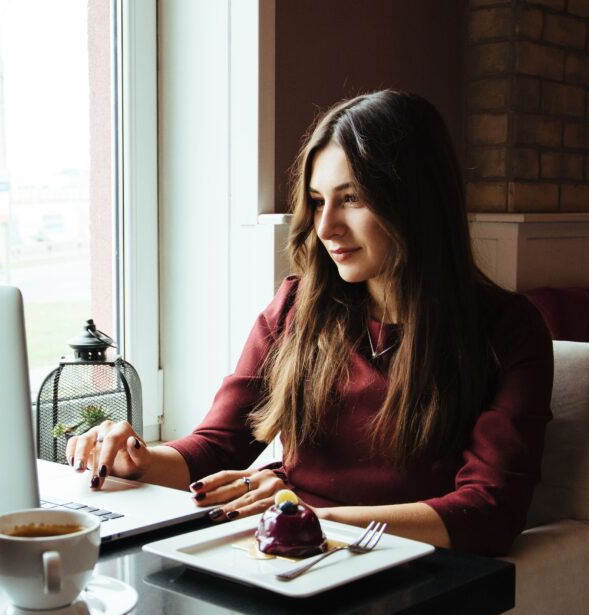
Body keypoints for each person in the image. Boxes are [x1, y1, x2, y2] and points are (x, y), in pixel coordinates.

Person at [67, 90, 553, 557]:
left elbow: (490, 513)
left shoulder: (508, 331)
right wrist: (139, 460)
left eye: (353, 198)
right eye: (319, 201)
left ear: (416, 202)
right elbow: (218, 445)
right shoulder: (297, 307)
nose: (326, 228)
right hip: (289, 552)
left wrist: (311, 516)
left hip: (406, 568)